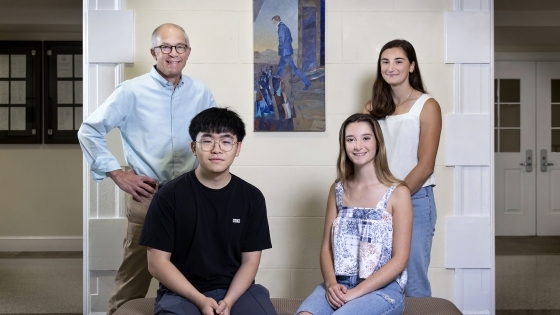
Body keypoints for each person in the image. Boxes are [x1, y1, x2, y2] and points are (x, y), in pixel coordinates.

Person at [77, 23, 216, 315]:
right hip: (149, 198)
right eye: (165, 47)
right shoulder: (130, 91)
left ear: (188, 52)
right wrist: (117, 172)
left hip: (192, 197)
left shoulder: (201, 93)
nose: (173, 53)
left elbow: (213, 139)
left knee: (196, 279)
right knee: (132, 280)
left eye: (179, 47)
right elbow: (89, 130)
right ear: (154, 51)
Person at [139, 107, 276, 315]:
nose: (217, 149)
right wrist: (201, 300)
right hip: (182, 292)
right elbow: (157, 263)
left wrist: (228, 301)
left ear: (238, 148)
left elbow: (250, 261)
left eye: (226, 141)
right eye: (207, 140)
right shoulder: (168, 196)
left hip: (237, 291)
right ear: (194, 147)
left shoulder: (252, 197)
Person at [296, 114, 412, 315]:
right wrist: (331, 284)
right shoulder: (338, 189)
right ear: (344, 145)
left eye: (366, 138)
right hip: (339, 283)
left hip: (382, 289)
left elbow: (400, 259)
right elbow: (326, 248)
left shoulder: (399, 193)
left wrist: (355, 293)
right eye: (350, 139)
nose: (358, 146)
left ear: (378, 142)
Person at [363, 39, 442, 297]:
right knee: (376, 276)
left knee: (413, 279)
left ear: (411, 66)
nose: (391, 67)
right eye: (385, 62)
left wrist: (397, 198)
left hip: (416, 199)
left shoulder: (427, 106)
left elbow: (426, 165)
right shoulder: (371, 108)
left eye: (398, 61)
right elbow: (362, 156)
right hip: (376, 200)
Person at [271, 15, 311, 90]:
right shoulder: (285, 27)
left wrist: (281, 48)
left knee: (294, 69)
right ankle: (277, 79)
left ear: (276, 20)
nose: (273, 23)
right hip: (286, 51)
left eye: (273, 22)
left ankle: (307, 82)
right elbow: (290, 39)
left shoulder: (281, 27)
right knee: (280, 66)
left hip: (285, 52)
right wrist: (287, 47)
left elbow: (282, 40)